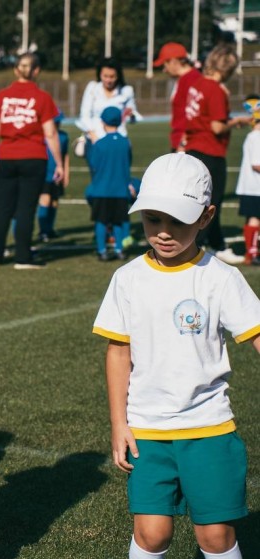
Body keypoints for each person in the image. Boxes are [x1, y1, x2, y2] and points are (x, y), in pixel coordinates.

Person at [94, 152, 260, 559]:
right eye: (153, 220)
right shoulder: (128, 278)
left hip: (209, 429)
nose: (163, 233)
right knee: (152, 535)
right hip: (147, 431)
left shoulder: (221, 278)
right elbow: (118, 353)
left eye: (178, 222)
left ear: (206, 217)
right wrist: (120, 423)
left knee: (215, 537)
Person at [0, 52, 63, 269]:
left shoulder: (3, 95)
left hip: (7, 156)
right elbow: (50, 133)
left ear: (16, 70)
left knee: (3, 208)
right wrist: (58, 162)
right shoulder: (42, 97)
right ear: (36, 71)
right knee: (26, 209)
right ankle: (22, 257)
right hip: (33, 156)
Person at [183, 43, 251, 265]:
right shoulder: (215, 90)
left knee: (204, 202)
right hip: (210, 152)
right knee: (211, 204)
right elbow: (217, 127)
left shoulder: (198, 83)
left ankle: (218, 244)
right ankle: (194, 248)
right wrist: (238, 121)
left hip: (193, 148)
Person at [84, 107, 133, 261]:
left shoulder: (99, 144)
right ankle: (119, 249)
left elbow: (94, 164)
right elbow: (128, 162)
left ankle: (102, 250)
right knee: (118, 221)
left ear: (103, 122)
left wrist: (90, 144)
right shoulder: (126, 142)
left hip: (101, 190)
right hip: (120, 190)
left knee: (101, 221)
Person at [77, 57, 139, 142]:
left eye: (112, 76)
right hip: (95, 139)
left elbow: (133, 117)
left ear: (118, 76)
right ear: (100, 74)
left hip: (118, 138)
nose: (108, 80)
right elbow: (84, 115)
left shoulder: (126, 91)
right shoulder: (92, 88)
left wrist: (131, 115)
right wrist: (92, 135)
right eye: (105, 76)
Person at [153, 42, 202, 151]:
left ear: (174, 61)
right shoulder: (183, 79)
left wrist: (183, 143)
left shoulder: (192, 80)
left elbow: (193, 116)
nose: (164, 70)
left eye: (165, 64)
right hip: (181, 142)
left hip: (187, 145)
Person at [235, 94, 260, 265]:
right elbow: (257, 164)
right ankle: (252, 253)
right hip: (255, 187)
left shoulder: (253, 136)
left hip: (249, 186)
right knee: (254, 218)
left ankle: (251, 251)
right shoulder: (257, 137)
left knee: (252, 218)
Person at [37, 111, 70, 242]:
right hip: (44, 174)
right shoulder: (42, 136)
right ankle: (43, 231)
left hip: (58, 174)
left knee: (54, 202)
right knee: (45, 200)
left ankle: (50, 229)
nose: (58, 123)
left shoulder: (63, 136)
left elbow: (65, 156)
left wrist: (66, 173)